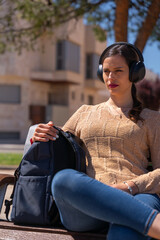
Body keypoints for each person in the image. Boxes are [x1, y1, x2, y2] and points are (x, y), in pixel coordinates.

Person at [31, 42, 160, 240]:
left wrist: (128, 186)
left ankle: (144, 220)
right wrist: (40, 135)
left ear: (135, 73)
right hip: (88, 207)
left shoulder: (152, 118)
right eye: (107, 71)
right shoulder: (84, 112)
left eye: (118, 70)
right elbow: (58, 148)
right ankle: (153, 223)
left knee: (125, 229)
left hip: (138, 197)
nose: (111, 77)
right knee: (63, 180)